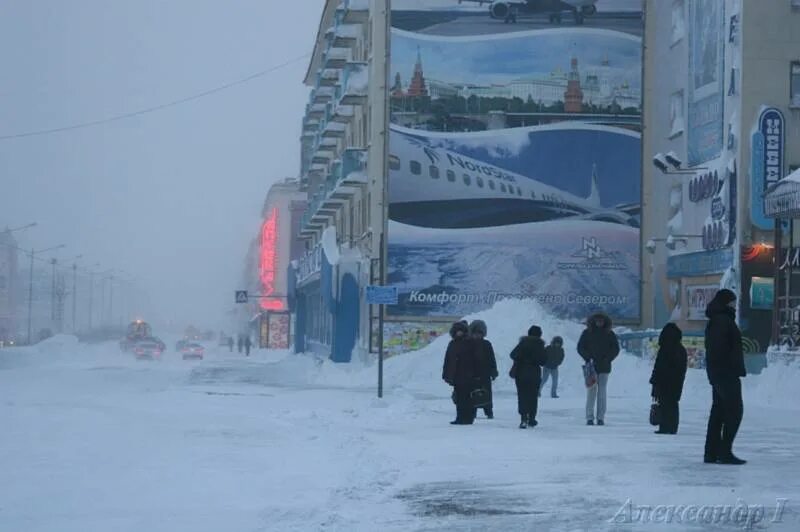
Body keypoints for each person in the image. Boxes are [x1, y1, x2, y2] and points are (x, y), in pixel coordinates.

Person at [703, 289, 747, 465]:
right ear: (726, 303)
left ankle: (712, 452)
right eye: (732, 302)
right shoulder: (722, 321)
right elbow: (719, 349)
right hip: (725, 373)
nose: (734, 306)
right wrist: (728, 368)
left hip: (719, 373)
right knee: (734, 411)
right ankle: (724, 450)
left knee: (719, 412)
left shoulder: (719, 319)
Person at [577, 313, 620, 426]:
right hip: (591, 367)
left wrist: (608, 358)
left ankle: (601, 417)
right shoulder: (587, 333)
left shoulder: (609, 334)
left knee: (602, 393)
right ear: (593, 321)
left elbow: (615, 349)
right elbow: (580, 347)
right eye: (597, 320)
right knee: (591, 392)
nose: (599, 322)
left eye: (601, 321)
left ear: (605, 321)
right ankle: (589, 417)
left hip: (604, 367)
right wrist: (587, 357)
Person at [649, 323, 688, 434]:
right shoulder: (681, 350)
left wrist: (654, 381)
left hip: (663, 382)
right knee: (673, 404)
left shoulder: (664, 349)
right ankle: (672, 427)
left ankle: (665, 427)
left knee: (664, 404)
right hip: (676, 382)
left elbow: (659, 366)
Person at [510, 325, 547, 429]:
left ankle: (523, 418)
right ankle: (531, 418)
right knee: (533, 396)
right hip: (534, 373)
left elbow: (513, 354)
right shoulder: (540, 345)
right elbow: (544, 361)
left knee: (522, 396)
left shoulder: (523, 343)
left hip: (521, 373)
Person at [443, 321, 479, 425]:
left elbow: (477, 359)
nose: (459, 333)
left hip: (468, 374)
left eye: (461, 331)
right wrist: (447, 374)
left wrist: (476, 373)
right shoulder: (452, 344)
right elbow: (448, 359)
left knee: (467, 397)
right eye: (457, 331)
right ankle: (460, 417)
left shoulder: (470, 343)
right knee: (458, 397)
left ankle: (468, 418)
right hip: (456, 374)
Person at [469, 320, 498, 419]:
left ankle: (489, 411)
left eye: (479, 333)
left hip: (485, 373)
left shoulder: (487, 344)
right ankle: (472, 411)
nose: (477, 335)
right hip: (472, 372)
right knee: (473, 393)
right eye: (475, 333)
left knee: (486, 393)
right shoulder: (468, 344)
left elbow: (491, 358)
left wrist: (493, 372)